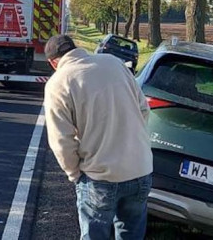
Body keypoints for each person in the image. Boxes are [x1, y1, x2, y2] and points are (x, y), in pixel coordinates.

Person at [42, 34, 153, 240]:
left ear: (53, 62)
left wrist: (75, 174)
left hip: (100, 176)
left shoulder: (58, 82)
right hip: (140, 169)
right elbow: (143, 109)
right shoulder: (114, 63)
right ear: (77, 49)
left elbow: (61, 141)